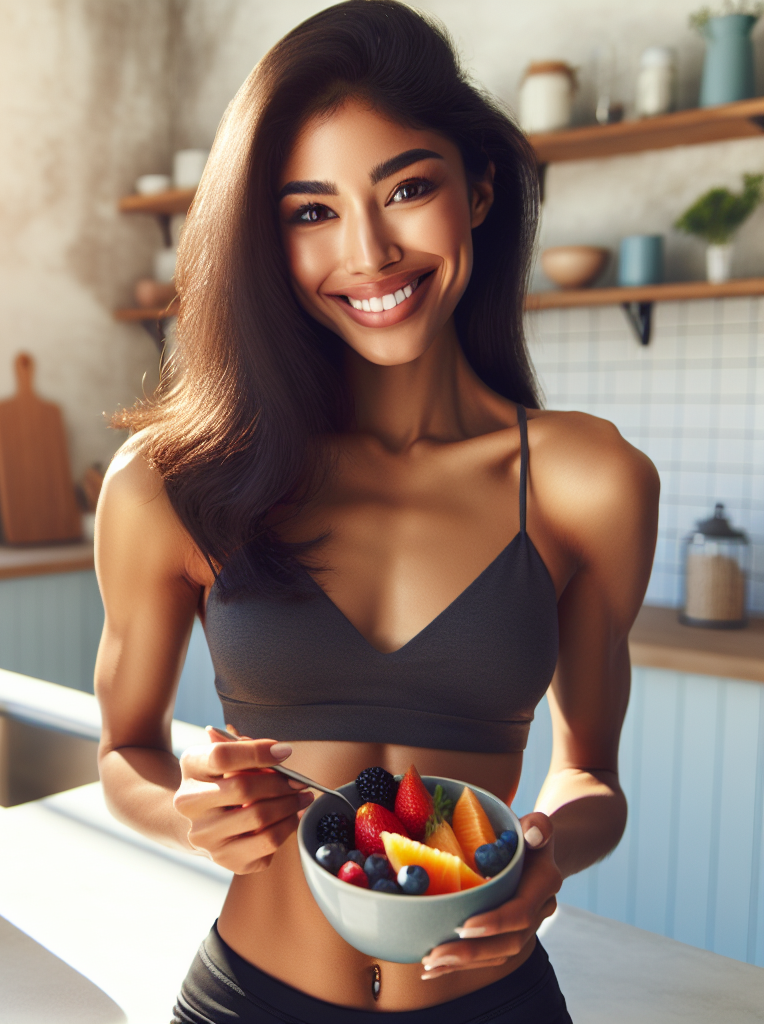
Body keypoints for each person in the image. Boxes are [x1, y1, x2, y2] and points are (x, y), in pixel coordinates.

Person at [94, 3, 659, 1021]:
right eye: (310, 211)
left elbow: (591, 774)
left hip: (494, 999)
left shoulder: (589, 480)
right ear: (264, 238)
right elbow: (121, 753)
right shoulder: (168, 482)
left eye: (405, 188)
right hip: (249, 998)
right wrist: (189, 811)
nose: (369, 252)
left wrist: (545, 850)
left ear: (478, 189)